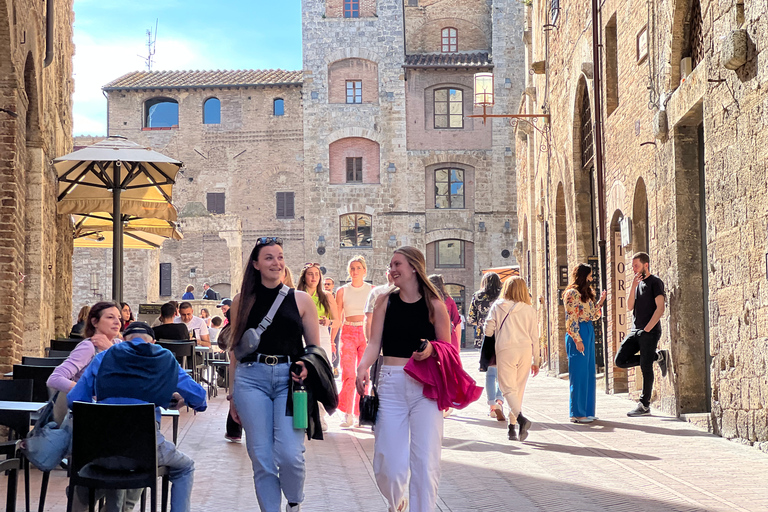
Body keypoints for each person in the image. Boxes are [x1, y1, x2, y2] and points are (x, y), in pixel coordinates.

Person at [68, 321, 207, 512]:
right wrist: (186, 400)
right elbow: (199, 398)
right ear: (153, 342)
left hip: (99, 450)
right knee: (185, 467)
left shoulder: (104, 357)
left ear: (123, 339)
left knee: (95, 471)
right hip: (144, 453)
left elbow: (74, 400)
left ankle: (82, 499)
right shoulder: (165, 358)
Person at [227, 236, 320, 512]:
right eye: (269, 257)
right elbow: (236, 350)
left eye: (280, 257)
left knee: (291, 455)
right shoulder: (240, 301)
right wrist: (232, 394)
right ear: (255, 264)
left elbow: (315, 349)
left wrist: (308, 365)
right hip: (250, 379)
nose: (276, 262)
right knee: (261, 456)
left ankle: (293, 502)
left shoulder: (301, 299)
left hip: (290, 382)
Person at [356, 246, 451, 512]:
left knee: (425, 460)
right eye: (391, 265)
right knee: (388, 461)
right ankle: (396, 501)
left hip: (426, 387)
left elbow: (449, 349)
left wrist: (432, 349)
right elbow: (374, 343)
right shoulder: (384, 301)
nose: (392, 269)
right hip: (391, 382)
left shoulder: (435, 305)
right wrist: (362, 367)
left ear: (414, 268)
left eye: (397, 264)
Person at [484, 277, 540, 441]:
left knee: (507, 387)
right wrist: (536, 360)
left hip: (505, 349)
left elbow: (488, 330)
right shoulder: (530, 310)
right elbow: (535, 338)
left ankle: (521, 420)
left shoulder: (498, 306)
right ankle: (511, 426)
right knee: (518, 388)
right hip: (525, 350)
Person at [614, 252, 669, 417]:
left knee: (646, 367)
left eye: (636, 266)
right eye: (632, 266)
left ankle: (644, 405)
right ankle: (658, 356)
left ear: (646, 265)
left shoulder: (655, 282)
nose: (634, 269)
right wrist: (632, 286)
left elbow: (660, 308)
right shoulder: (638, 284)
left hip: (649, 331)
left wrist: (648, 328)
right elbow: (630, 306)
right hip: (636, 330)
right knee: (620, 360)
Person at [332, 255, 373, 428]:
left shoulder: (372, 290)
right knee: (348, 373)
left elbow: (376, 316)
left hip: (365, 331)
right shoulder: (342, 291)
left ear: (364, 270)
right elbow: (337, 317)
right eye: (352, 268)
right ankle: (346, 413)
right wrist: (333, 340)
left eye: (358, 268)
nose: (355, 271)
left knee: (364, 374)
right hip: (348, 331)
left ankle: (359, 412)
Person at [563, 264, 606, 423]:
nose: (591, 278)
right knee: (579, 373)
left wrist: (600, 302)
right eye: (589, 275)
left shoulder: (585, 294)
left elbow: (593, 316)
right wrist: (577, 339)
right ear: (583, 275)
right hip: (578, 332)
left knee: (588, 373)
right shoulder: (571, 294)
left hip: (588, 330)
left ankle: (587, 411)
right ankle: (576, 413)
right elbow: (572, 318)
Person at [48, 302, 120, 393]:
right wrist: (88, 392)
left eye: (119, 318)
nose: (117, 322)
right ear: (94, 322)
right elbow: (55, 379)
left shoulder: (118, 344)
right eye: (110, 317)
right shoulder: (89, 347)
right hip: (94, 405)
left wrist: (110, 349)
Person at [468, 272, 505, 420]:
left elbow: (471, 318)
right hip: (503, 336)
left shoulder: (477, 296)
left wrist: (482, 323)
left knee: (490, 373)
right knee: (503, 371)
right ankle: (500, 400)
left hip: (485, 338)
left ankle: (491, 406)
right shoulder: (503, 295)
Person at [428, 274, 461, 354]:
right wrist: (458, 345)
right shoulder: (449, 300)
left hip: (431, 337)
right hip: (449, 337)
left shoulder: (426, 301)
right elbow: (457, 323)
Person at [363, 269, 394, 341]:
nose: (393, 274)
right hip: (380, 339)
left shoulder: (409, 292)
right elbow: (369, 317)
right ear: (386, 273)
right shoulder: (376, 292)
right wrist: (369, 340)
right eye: (390, 271)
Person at [324, 277, 341, 377]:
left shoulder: (335, 297)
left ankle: (335, 366)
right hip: (325, 323)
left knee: (335, 343)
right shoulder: (322, 296)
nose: (326, 286)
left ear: (333, 285)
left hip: (334, 323)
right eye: (325, 284)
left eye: (328, 284)